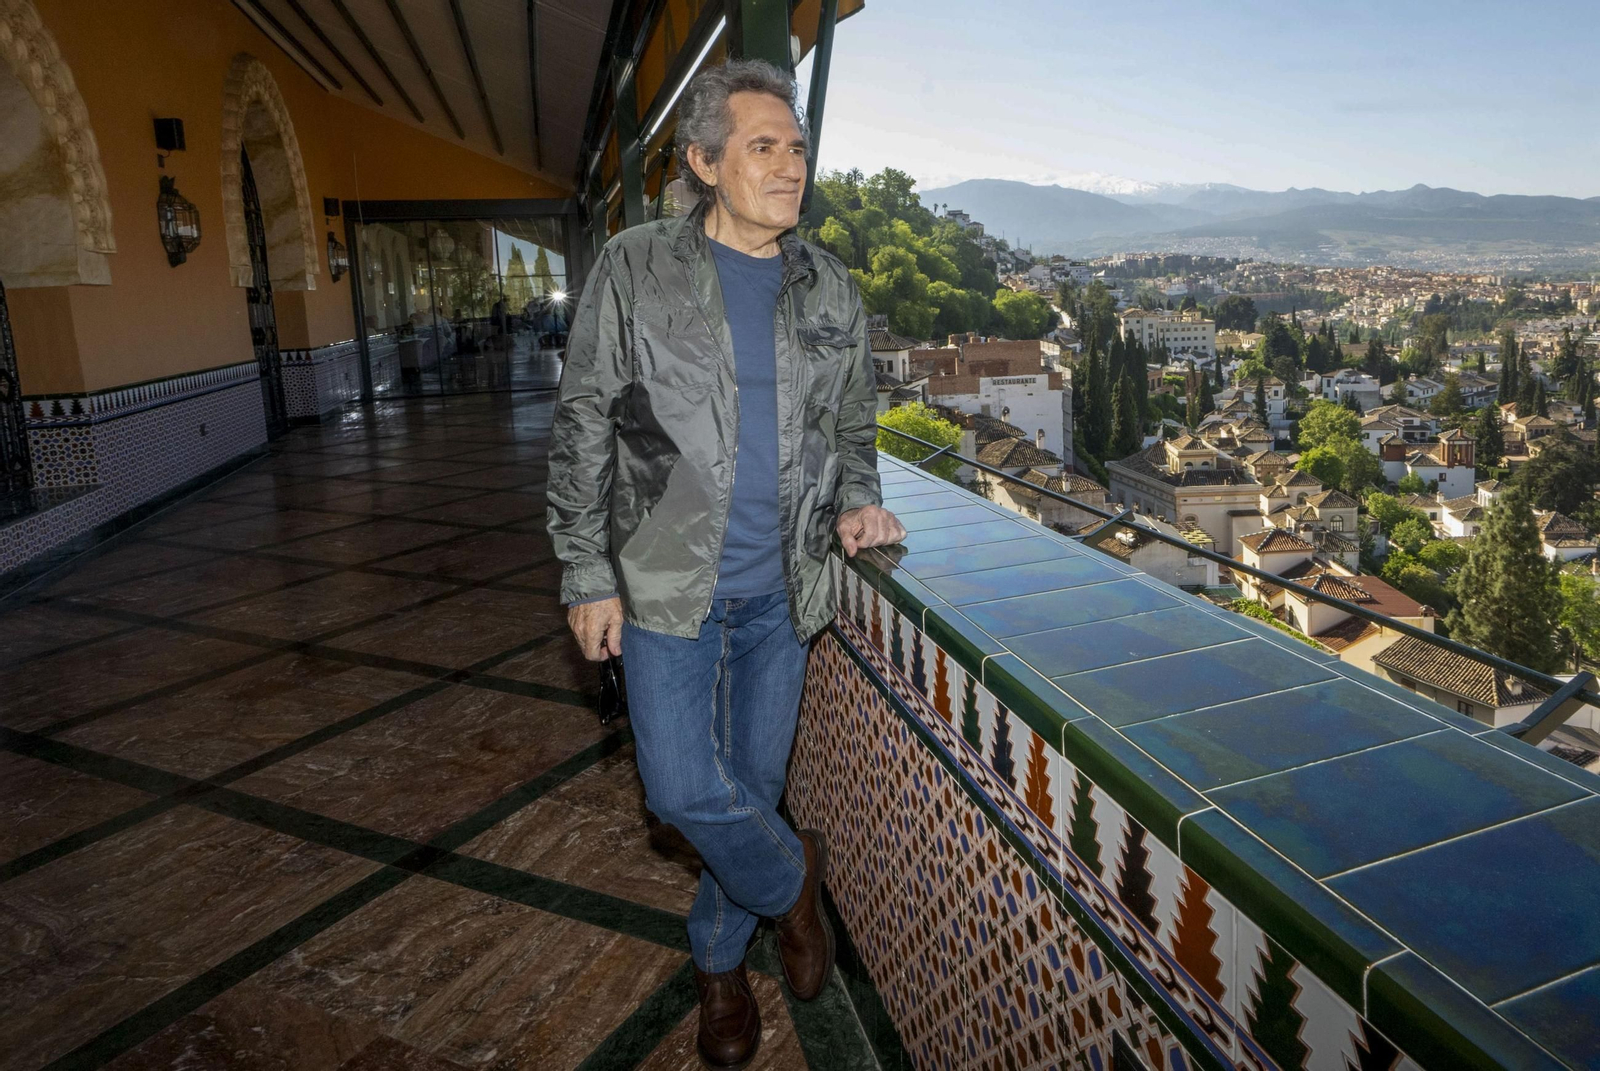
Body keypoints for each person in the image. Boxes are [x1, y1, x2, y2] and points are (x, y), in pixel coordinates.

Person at [546, 58, 904, 1070]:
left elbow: (850, 425)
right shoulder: (634, 266)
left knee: (743, 782)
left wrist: (859, 500)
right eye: (761, 148)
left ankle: (716, 968)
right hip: (662, 583)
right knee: (679, 792)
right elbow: (582, 425)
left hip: (784, 588)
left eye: (794, 148)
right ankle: (795, 884)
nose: (789, 166)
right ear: (704, 162)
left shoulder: (826, 283)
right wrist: (584, 571)